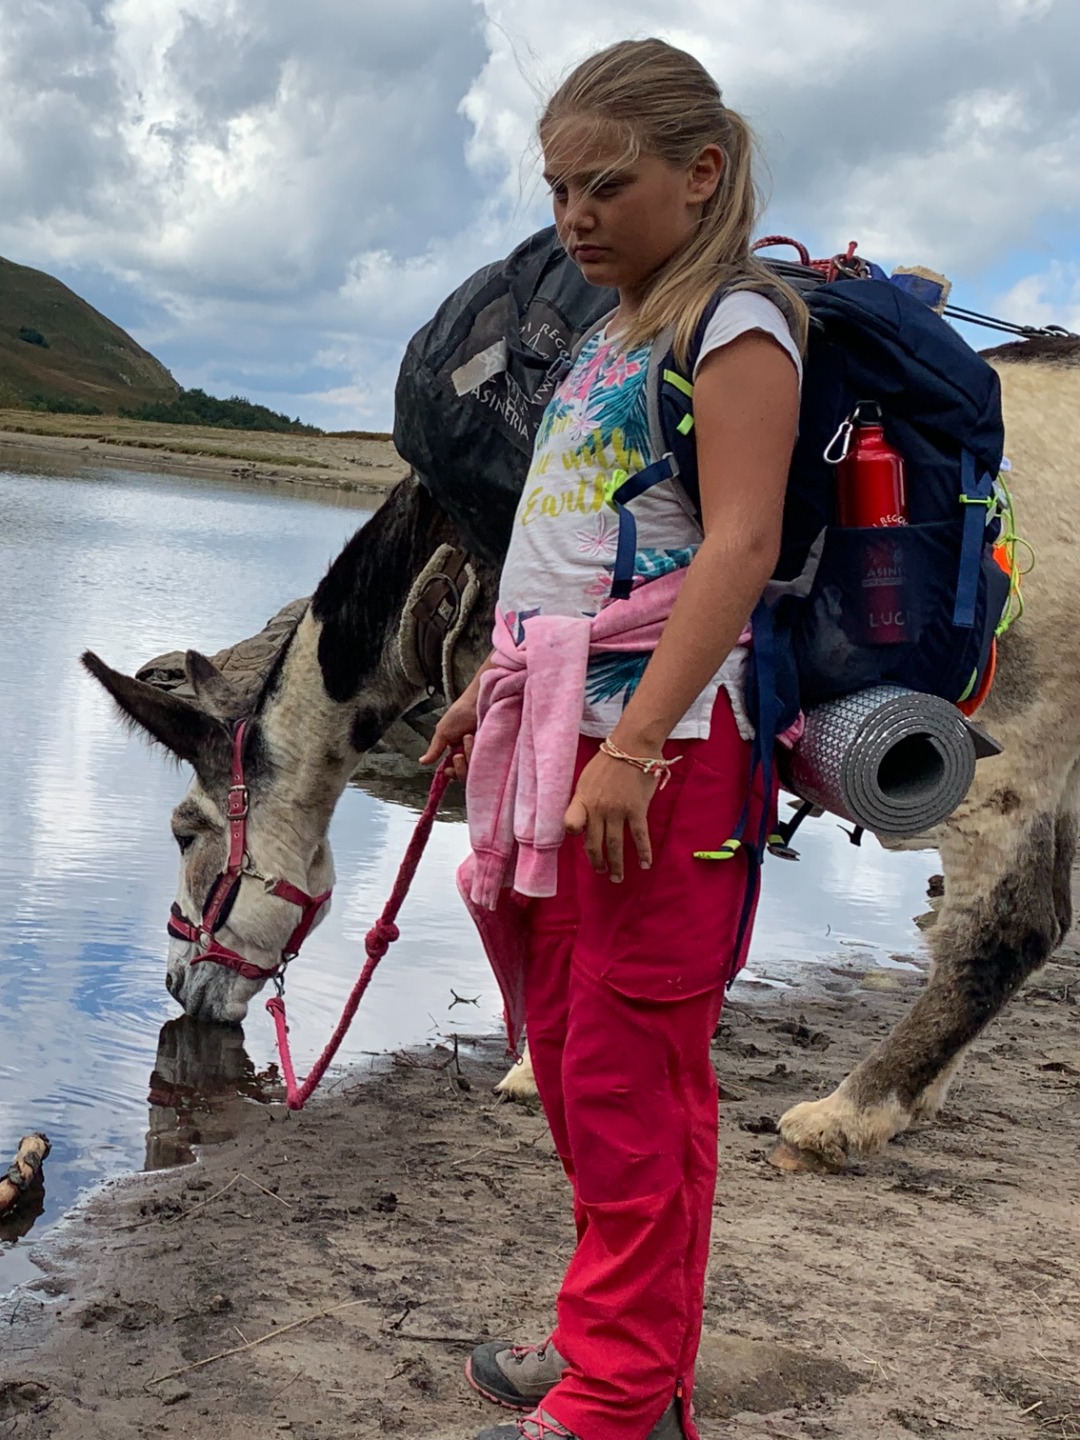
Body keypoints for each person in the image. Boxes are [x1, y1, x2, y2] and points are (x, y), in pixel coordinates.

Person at [418, 38, 807, 1440]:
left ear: (701, 175)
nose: (573, 215)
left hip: (670, 755)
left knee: (628, 1066)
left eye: (607, 184)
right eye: (557, 188)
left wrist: (637, 745)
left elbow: (741, 544)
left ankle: (623, 1388)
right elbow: (572, 555)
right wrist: (490, 685)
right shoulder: (611, 335)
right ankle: (620, 1344)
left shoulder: (737, 325)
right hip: (564, 738)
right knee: (586, 1046)